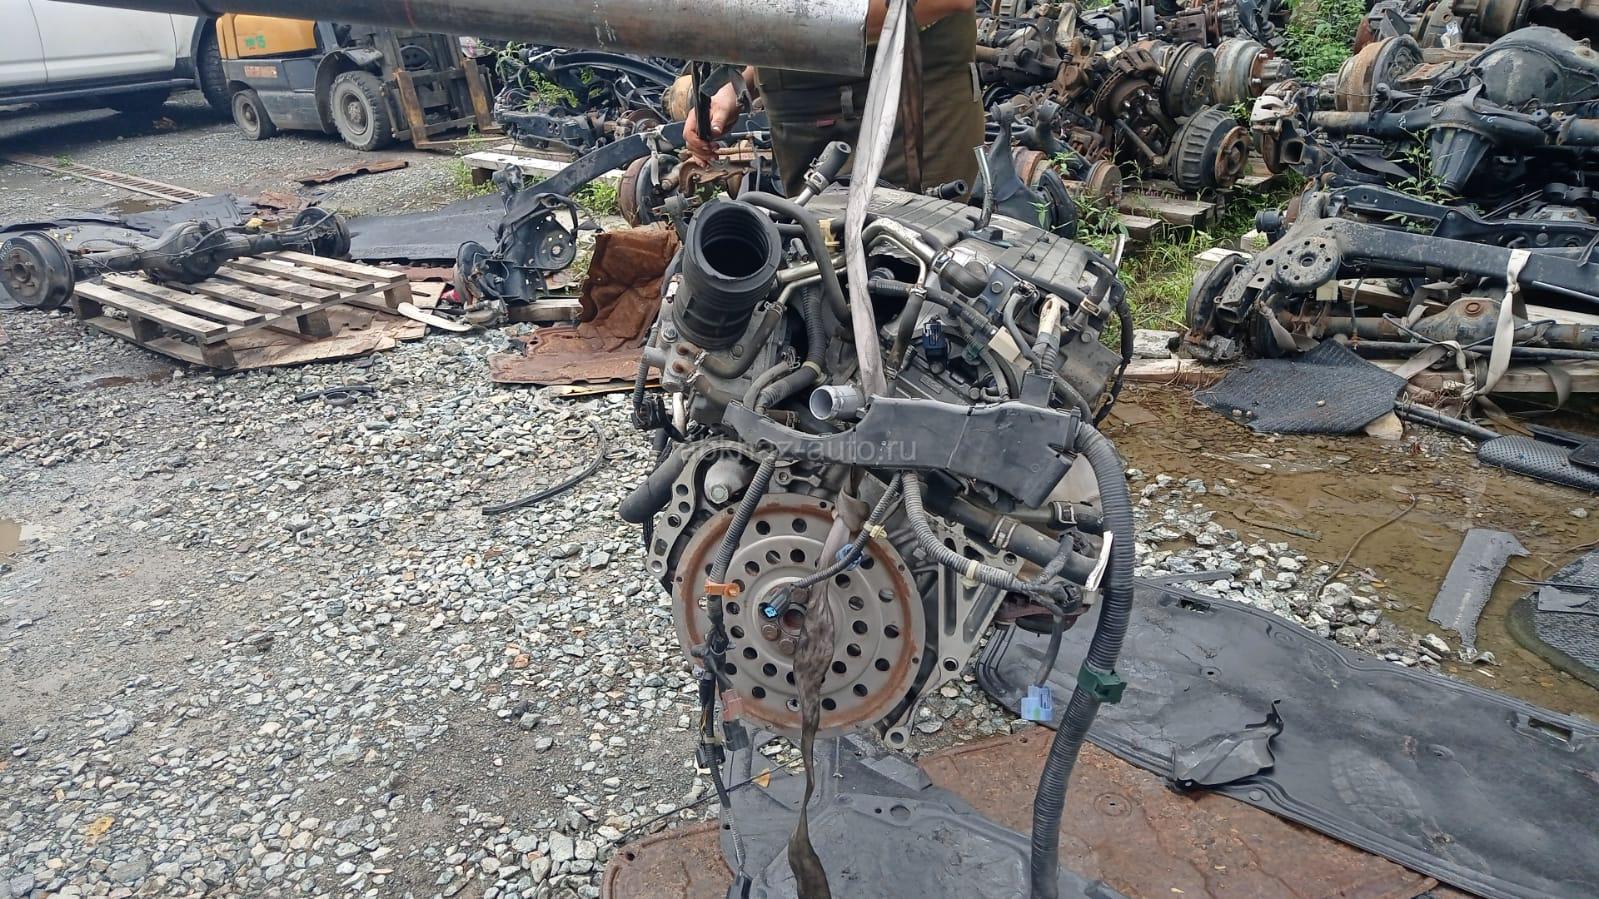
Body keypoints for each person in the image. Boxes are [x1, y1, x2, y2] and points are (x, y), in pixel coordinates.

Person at [683, 0, 985, 196]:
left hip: (901, 127)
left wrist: (775, 27)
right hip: (807, 138)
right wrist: (738, 88)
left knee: (901, 263)